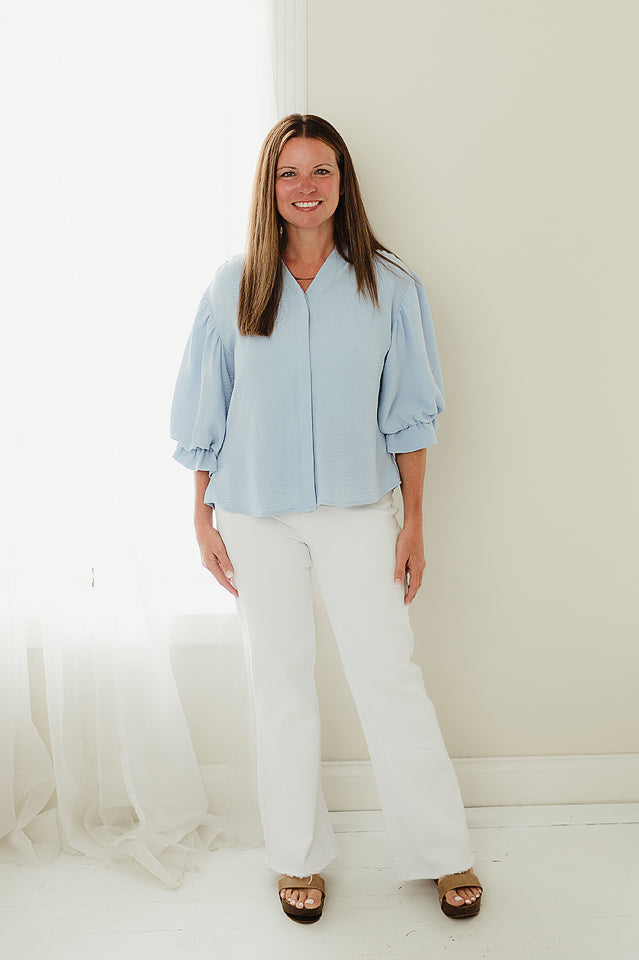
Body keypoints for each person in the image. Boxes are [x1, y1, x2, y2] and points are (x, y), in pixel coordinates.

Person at [170, 114, 483, 924]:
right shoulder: (233, 285)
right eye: (288, 173)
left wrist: (413, 523)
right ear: (268, 188)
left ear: (343, 183)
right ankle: (296, 856)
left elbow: (409, 417)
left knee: (388, 677)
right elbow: (207, 409)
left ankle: (442, 851)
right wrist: (201, 517)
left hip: (358, 509)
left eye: (320, 171)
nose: (304, 187)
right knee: (280, 683)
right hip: (253, 513)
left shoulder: (390, 287)